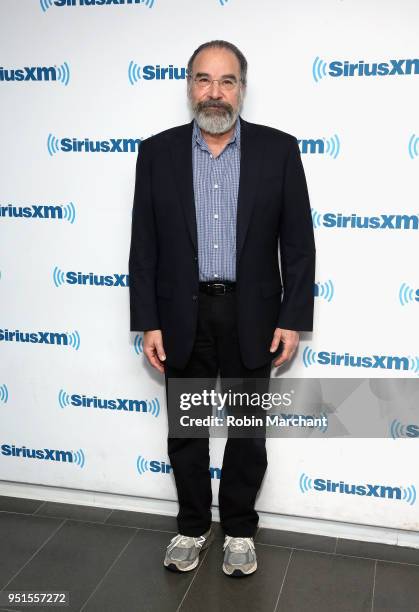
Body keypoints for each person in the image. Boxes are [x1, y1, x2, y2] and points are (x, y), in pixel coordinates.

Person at [129, 40, 315, 577]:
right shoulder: (157, 153)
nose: (215, 93)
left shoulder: (279, 151)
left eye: (227, 81)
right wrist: (149, 321)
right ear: (189, 87)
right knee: (187, 431)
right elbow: (145, 246)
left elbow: (298, 245)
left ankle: (237, 530)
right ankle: (191, 528)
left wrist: (291, 317)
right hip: (182, 317)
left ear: (242, 89)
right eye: (204, 80)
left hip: (251, 317)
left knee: (246, 430)